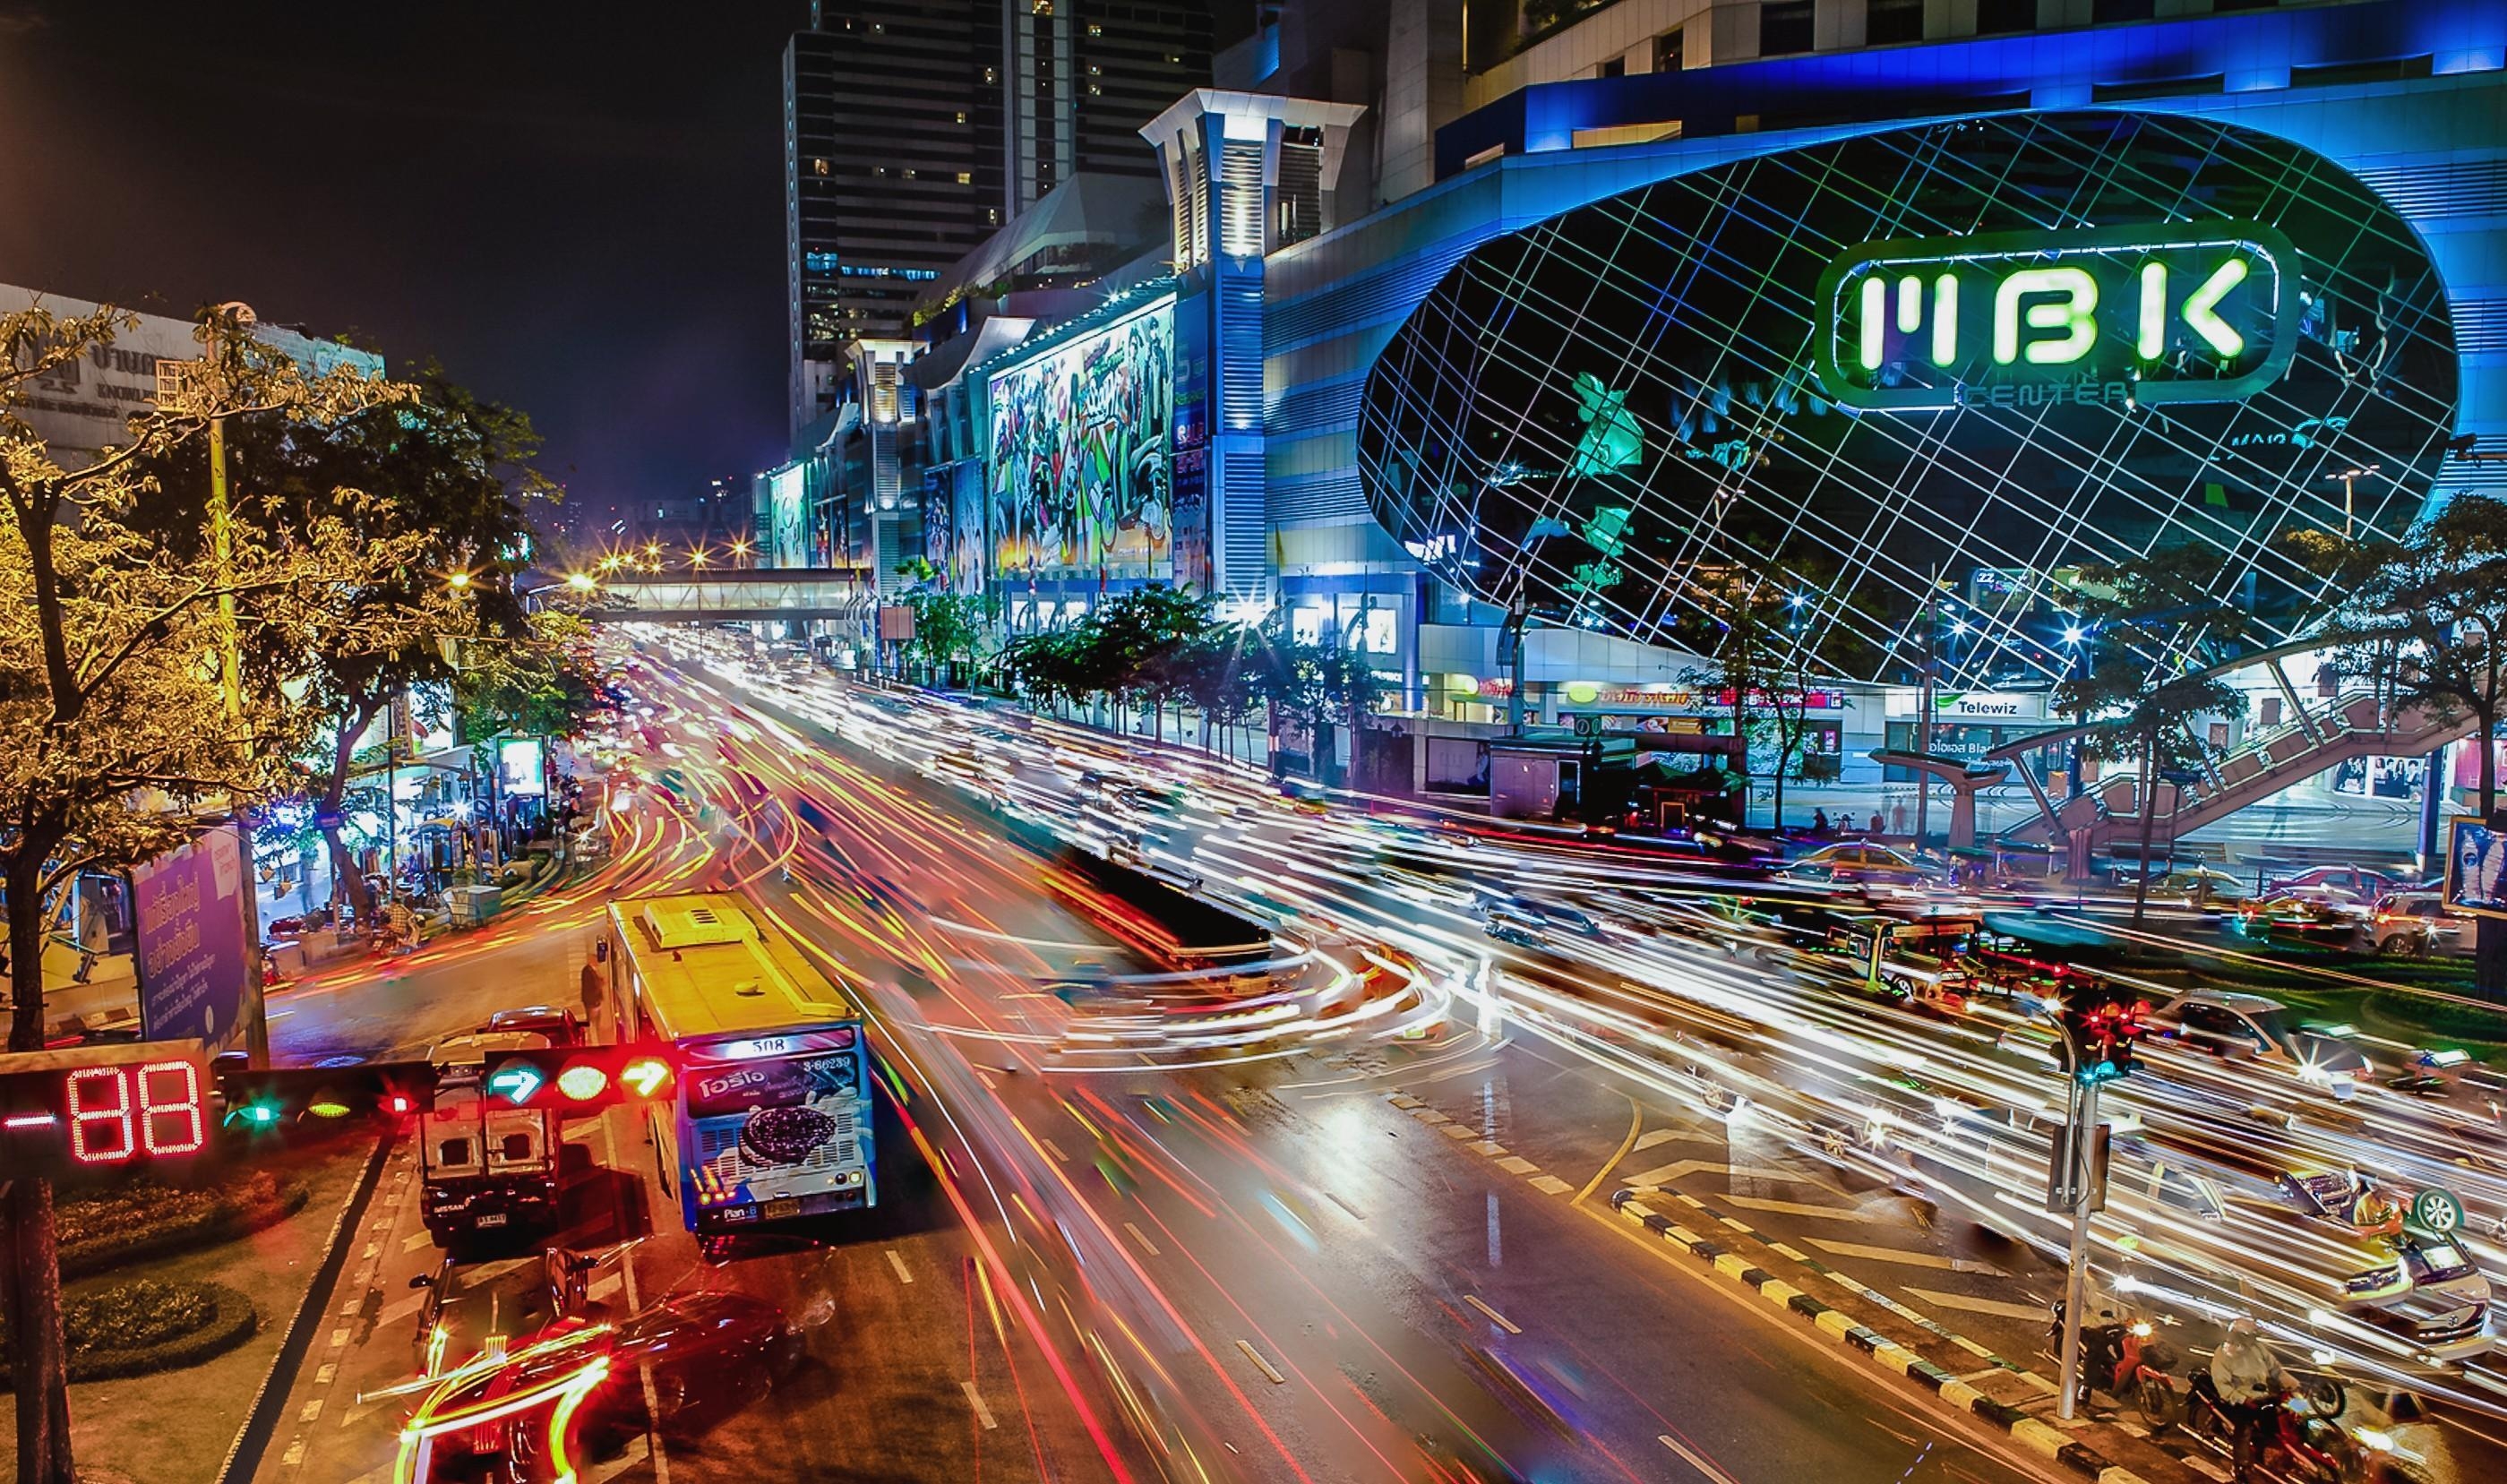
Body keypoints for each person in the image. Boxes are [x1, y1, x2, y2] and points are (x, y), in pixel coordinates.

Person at [2208, 1317, 2287, 1480]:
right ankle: (2240, 1468)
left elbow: (2275, 1369)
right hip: (2240, 1401)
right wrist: (2243, 1400)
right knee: (2244, 1431)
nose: (2252, 1340)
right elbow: (2224, 1386)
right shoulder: (2223, 1354)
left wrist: (2292, 1386)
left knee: (2287, 1419)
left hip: (2262, 1396)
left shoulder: (2258, 1349)